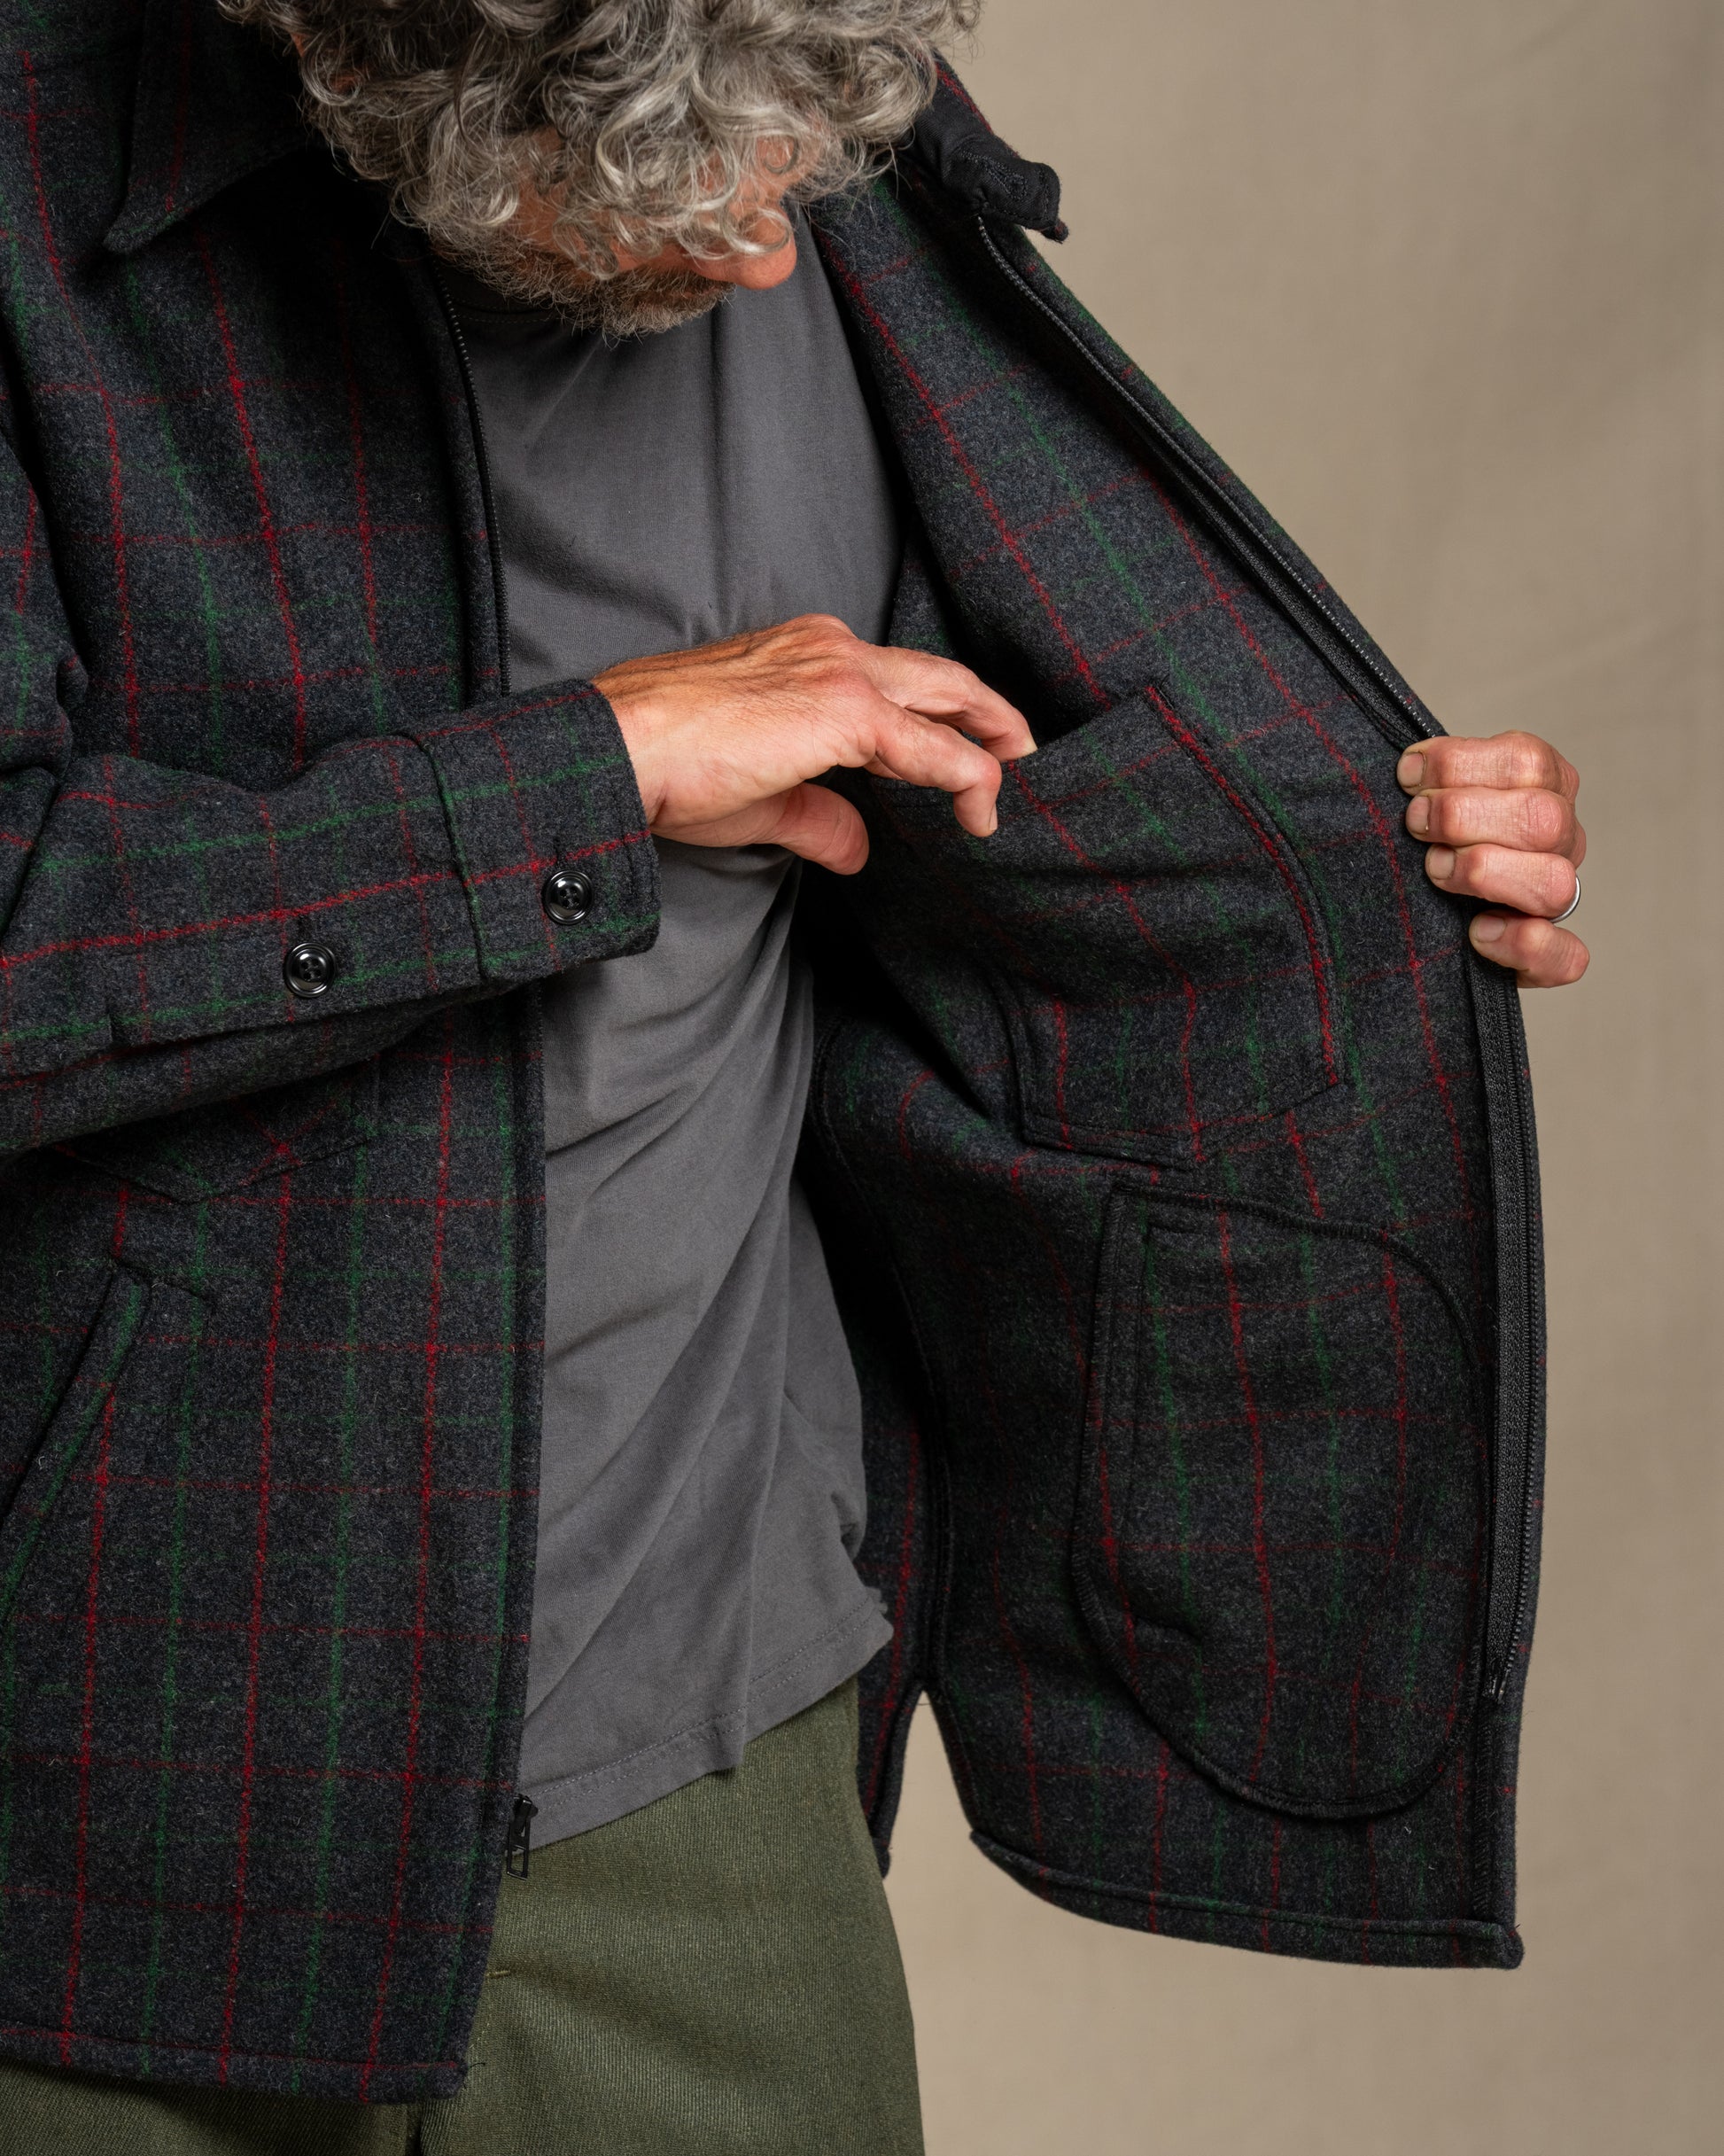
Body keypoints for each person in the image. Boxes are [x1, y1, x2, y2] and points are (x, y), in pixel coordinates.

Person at [0, 2, 1587, 2150]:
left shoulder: (779, 89)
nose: (771, 239)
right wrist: (593, 772)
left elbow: (996, 786)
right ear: (374, 65)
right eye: (663, 166)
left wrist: (1358, 858)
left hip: (710, 1741)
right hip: (107, 1777)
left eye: (812, 147)